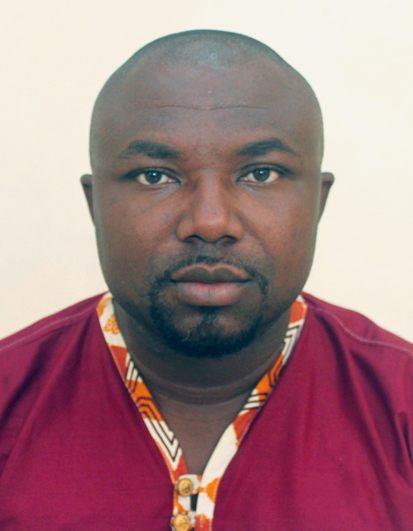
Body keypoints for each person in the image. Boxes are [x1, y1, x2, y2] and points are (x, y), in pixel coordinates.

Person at [0, 30, 412, 531]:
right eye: (155, 176)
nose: (211, 222)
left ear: (318, 204)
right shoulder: (9, 397)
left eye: (261, 174)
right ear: (95, 206)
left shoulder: (401, 406)